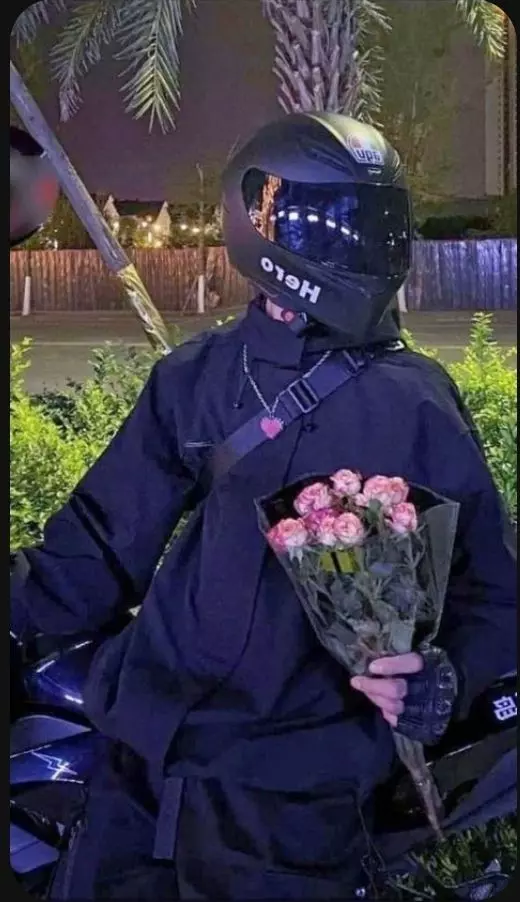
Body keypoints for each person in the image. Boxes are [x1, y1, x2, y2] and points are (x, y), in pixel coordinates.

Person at [10, 114, 516, 900]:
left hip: (295, 792)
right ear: (258, 223)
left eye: (371, 222)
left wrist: (439, 680)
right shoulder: (197, 377)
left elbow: (493, 590)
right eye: (330, 221)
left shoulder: (416, 402)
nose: (356, 243)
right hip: (142, 759)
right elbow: (97, 551)